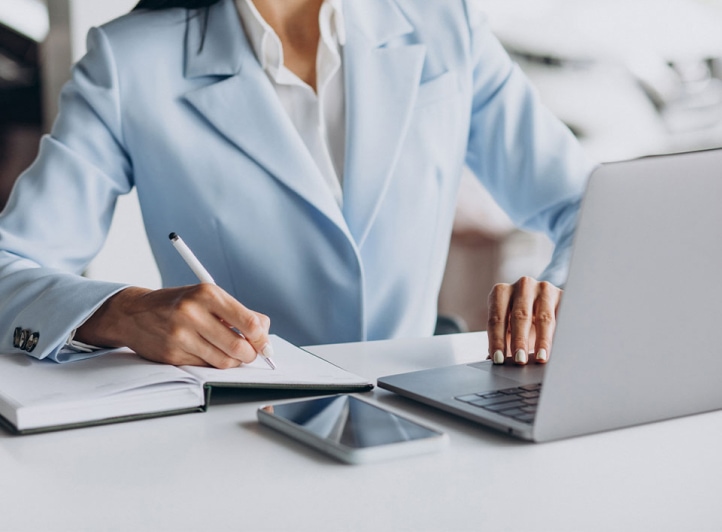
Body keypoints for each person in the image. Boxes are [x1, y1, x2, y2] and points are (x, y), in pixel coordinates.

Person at [0, 0, 595, 368]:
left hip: (424, 412)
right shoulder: (130, 61)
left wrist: (562, 293)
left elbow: (584, 204)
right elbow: (11, 266)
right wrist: (121, 313)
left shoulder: (443, 19)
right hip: (238, 433)